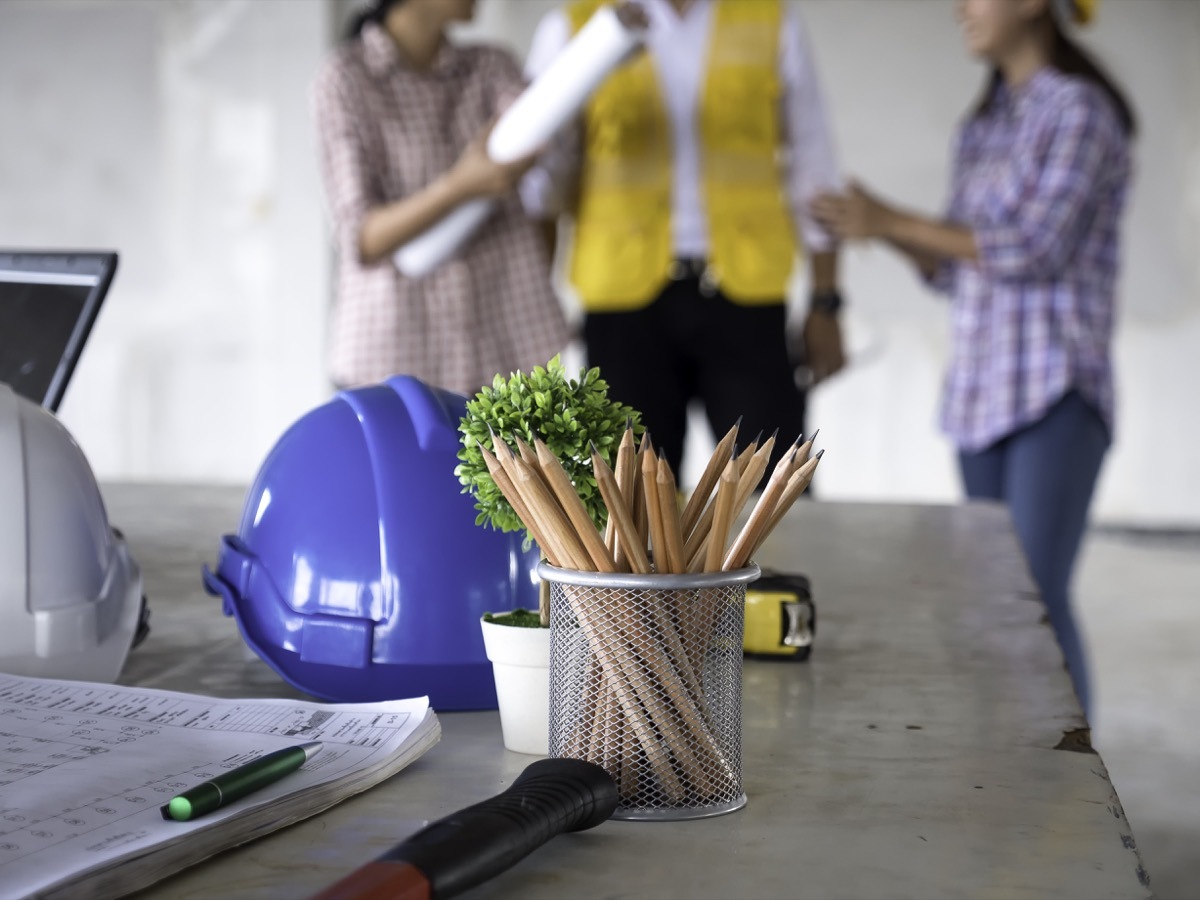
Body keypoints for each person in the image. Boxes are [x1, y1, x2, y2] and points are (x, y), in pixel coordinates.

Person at [812, 0, 1133, 717]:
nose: (961, 8)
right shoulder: (984, 124)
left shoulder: (1079, 112)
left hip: (1056, 388)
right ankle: (1024, 771)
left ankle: (1067, 795)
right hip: (983, 393)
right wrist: (878, 225)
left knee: (1037, 596)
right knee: (999, 603)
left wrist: (891, 218)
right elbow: (956, 268)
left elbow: (1032, 247)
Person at [522, 0, 847, 477]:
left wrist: (826, 302)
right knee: (626, 502)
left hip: (746, 298)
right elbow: (540, 185)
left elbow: (815, 167)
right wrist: (534, 306)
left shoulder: (770, 19)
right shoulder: (573, 26)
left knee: (774, 489)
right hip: (622, 306)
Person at [312, 0, 570, 395]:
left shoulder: (490, 67)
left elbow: (544, 133)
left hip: (506, 345)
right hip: (395, 359)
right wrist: (459, 186)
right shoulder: (346, 78)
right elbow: (362, 237)